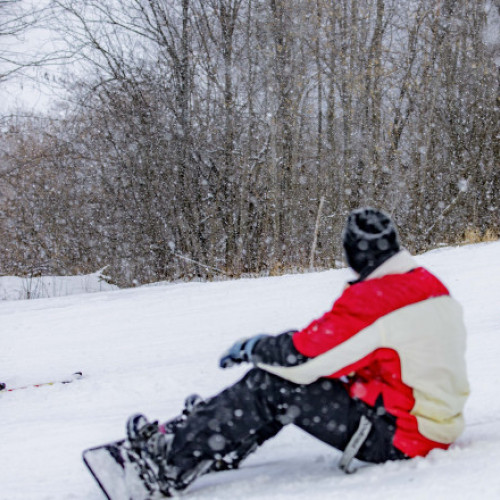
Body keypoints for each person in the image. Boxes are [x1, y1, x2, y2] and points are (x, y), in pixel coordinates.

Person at [126, 207, 470, 496]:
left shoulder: (376, 299)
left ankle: (171, 461)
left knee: (273, 383)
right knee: (285, 377)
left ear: (354, 253)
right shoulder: (428, 284)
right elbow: (336, 350)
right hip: (432, 422)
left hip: (402, 435)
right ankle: (218, 436)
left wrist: (255, 348)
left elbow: (304, 358)